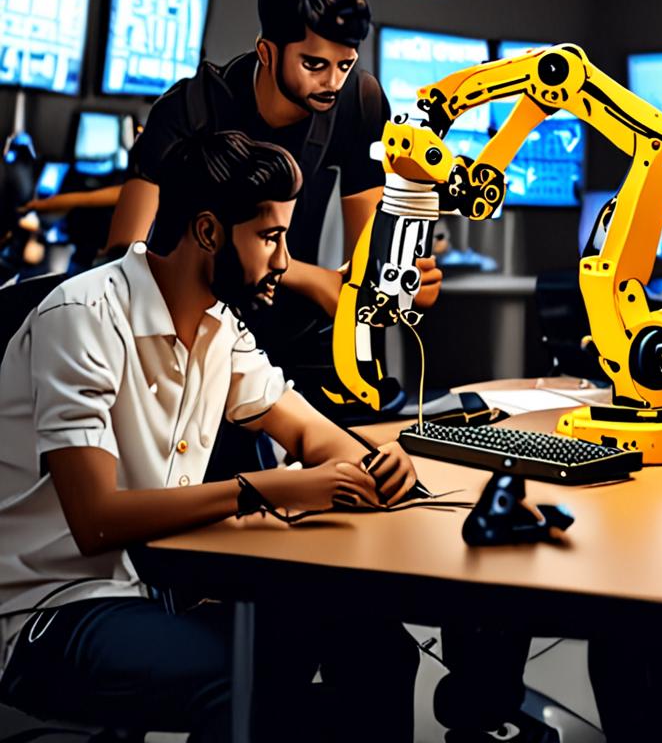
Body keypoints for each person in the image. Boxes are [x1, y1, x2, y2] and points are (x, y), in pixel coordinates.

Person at [0, 132, 421, 741]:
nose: (283, 260)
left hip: (159, 586)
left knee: (377, 648)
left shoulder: (220, 326)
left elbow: (307, 431)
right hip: (51, 608)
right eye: (270, 237)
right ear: (207, 231)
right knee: (247, 687)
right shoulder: (83, 318)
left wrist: (374, 462)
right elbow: (94, 520)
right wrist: (265, 489)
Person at [105, 0, 441, 405]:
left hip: (298, 341)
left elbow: (364, 261)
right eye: (314, 64)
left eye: (344, 66)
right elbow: (123, 257)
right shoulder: (191, 109)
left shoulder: (358, 101)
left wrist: (391, 280)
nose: (332, 82)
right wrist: (312, 279)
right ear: (267, 51)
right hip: (192, 335)